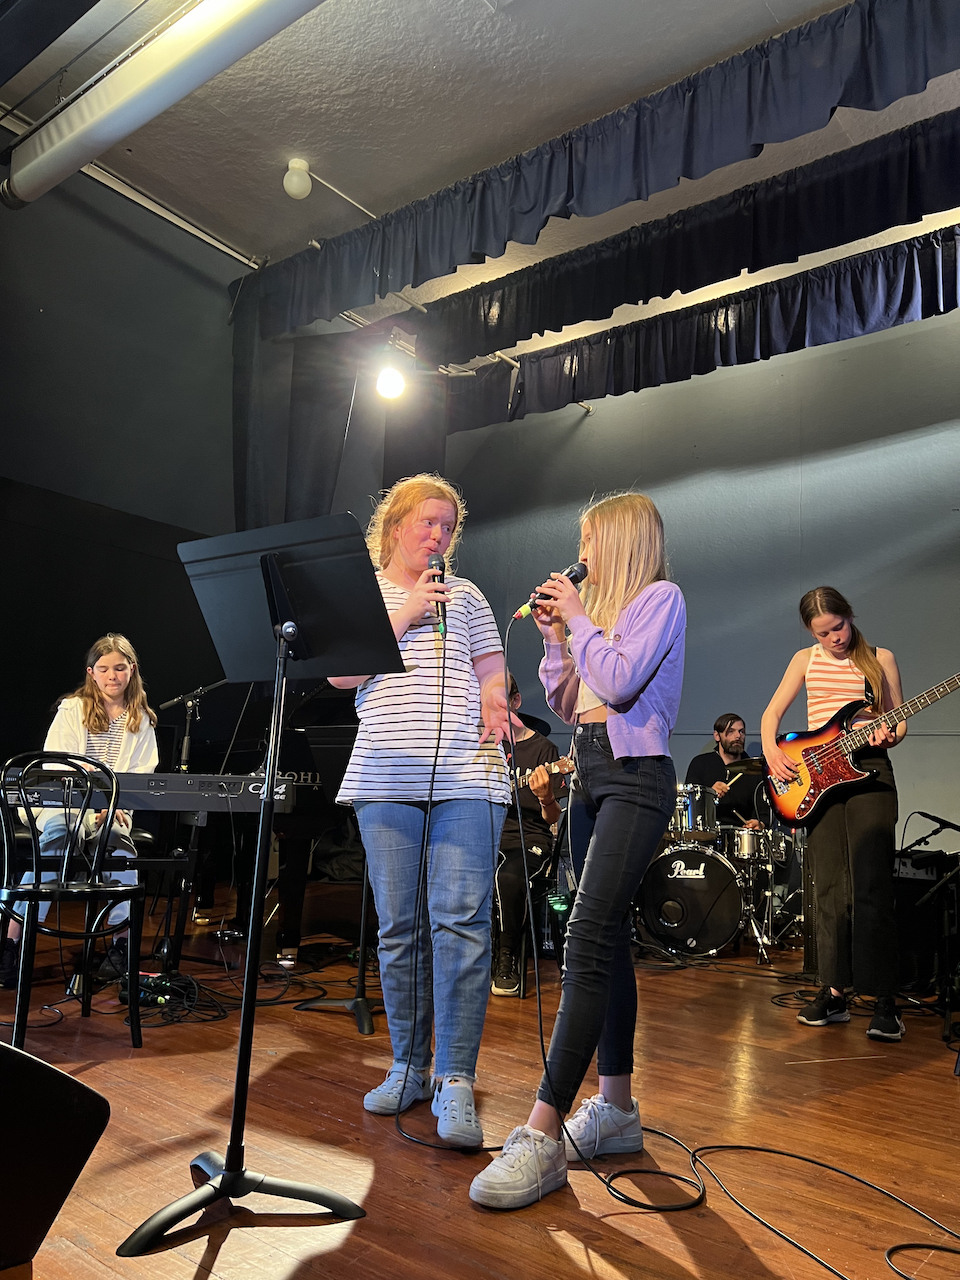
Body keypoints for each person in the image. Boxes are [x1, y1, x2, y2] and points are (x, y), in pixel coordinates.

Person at [469, 492, 686, 1210]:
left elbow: (620, 682)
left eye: (588, 540)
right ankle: (616, 1108)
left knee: (586, 935)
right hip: (590, 768)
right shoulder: (603, 617)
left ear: (619, 541)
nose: (580, 554)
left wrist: (580, 616)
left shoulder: (660, 599)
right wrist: (556, 640)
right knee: (608, 939)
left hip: (636, 775)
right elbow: (569, 702)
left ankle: (542, 1133)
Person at [330, 474, 514, 1148]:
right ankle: (408, 1066)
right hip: (385, 777)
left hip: (468, 774)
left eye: (447, 526)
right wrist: (407, 609)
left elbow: (490, 666)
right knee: (400, 930)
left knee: (461, 924)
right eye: (427, 522)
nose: (438, 535)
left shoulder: (466, 595)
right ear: (395, 524)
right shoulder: (363, 592)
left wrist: (495, 698)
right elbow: (342, 674)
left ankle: (455, 1078)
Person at [760, 586, 905, 1040]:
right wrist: (772, 751)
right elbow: (772, 714)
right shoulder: (805, 660)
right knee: (828, 889)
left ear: (850, 616)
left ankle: (884, 999)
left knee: (872, 885)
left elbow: (898, 720)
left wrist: (889, 734)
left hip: (869, 771)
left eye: (838, 627)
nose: (834, 638)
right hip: (821, 780)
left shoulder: (880, 658)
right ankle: (835, 992)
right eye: (822, 633)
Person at [0, 634, 159, 988]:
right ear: (92, 673)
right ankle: (13, 941)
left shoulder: (141, 720)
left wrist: (113, 807)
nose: (112, 675)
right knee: (60, 835)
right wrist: (88, 792)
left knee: (117, 843)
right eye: (104, 669)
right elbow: (56, 766)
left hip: (112, 808)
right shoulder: (72, 709)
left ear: (132, 670)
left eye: (120, 668)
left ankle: (120, 945)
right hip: (66, 804)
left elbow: (140, 776)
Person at [492, 674, 564, 997]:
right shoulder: (483, 745)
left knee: (509, 876)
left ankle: (506, 957)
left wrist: (546, 797)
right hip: (485, 836)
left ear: (516, 701)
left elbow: (553, 817)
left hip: (528, 839)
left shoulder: (544, 750)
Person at [685, 713, 762, 830]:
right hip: (706, 833)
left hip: (742, 834)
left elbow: (763, 809)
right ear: (717, 736)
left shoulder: (754, 769)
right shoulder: (700, 764)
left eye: (741, 732)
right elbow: (689, 804)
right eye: (731, 731)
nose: (738, 736)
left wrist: (759, 823)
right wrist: (709, 794)